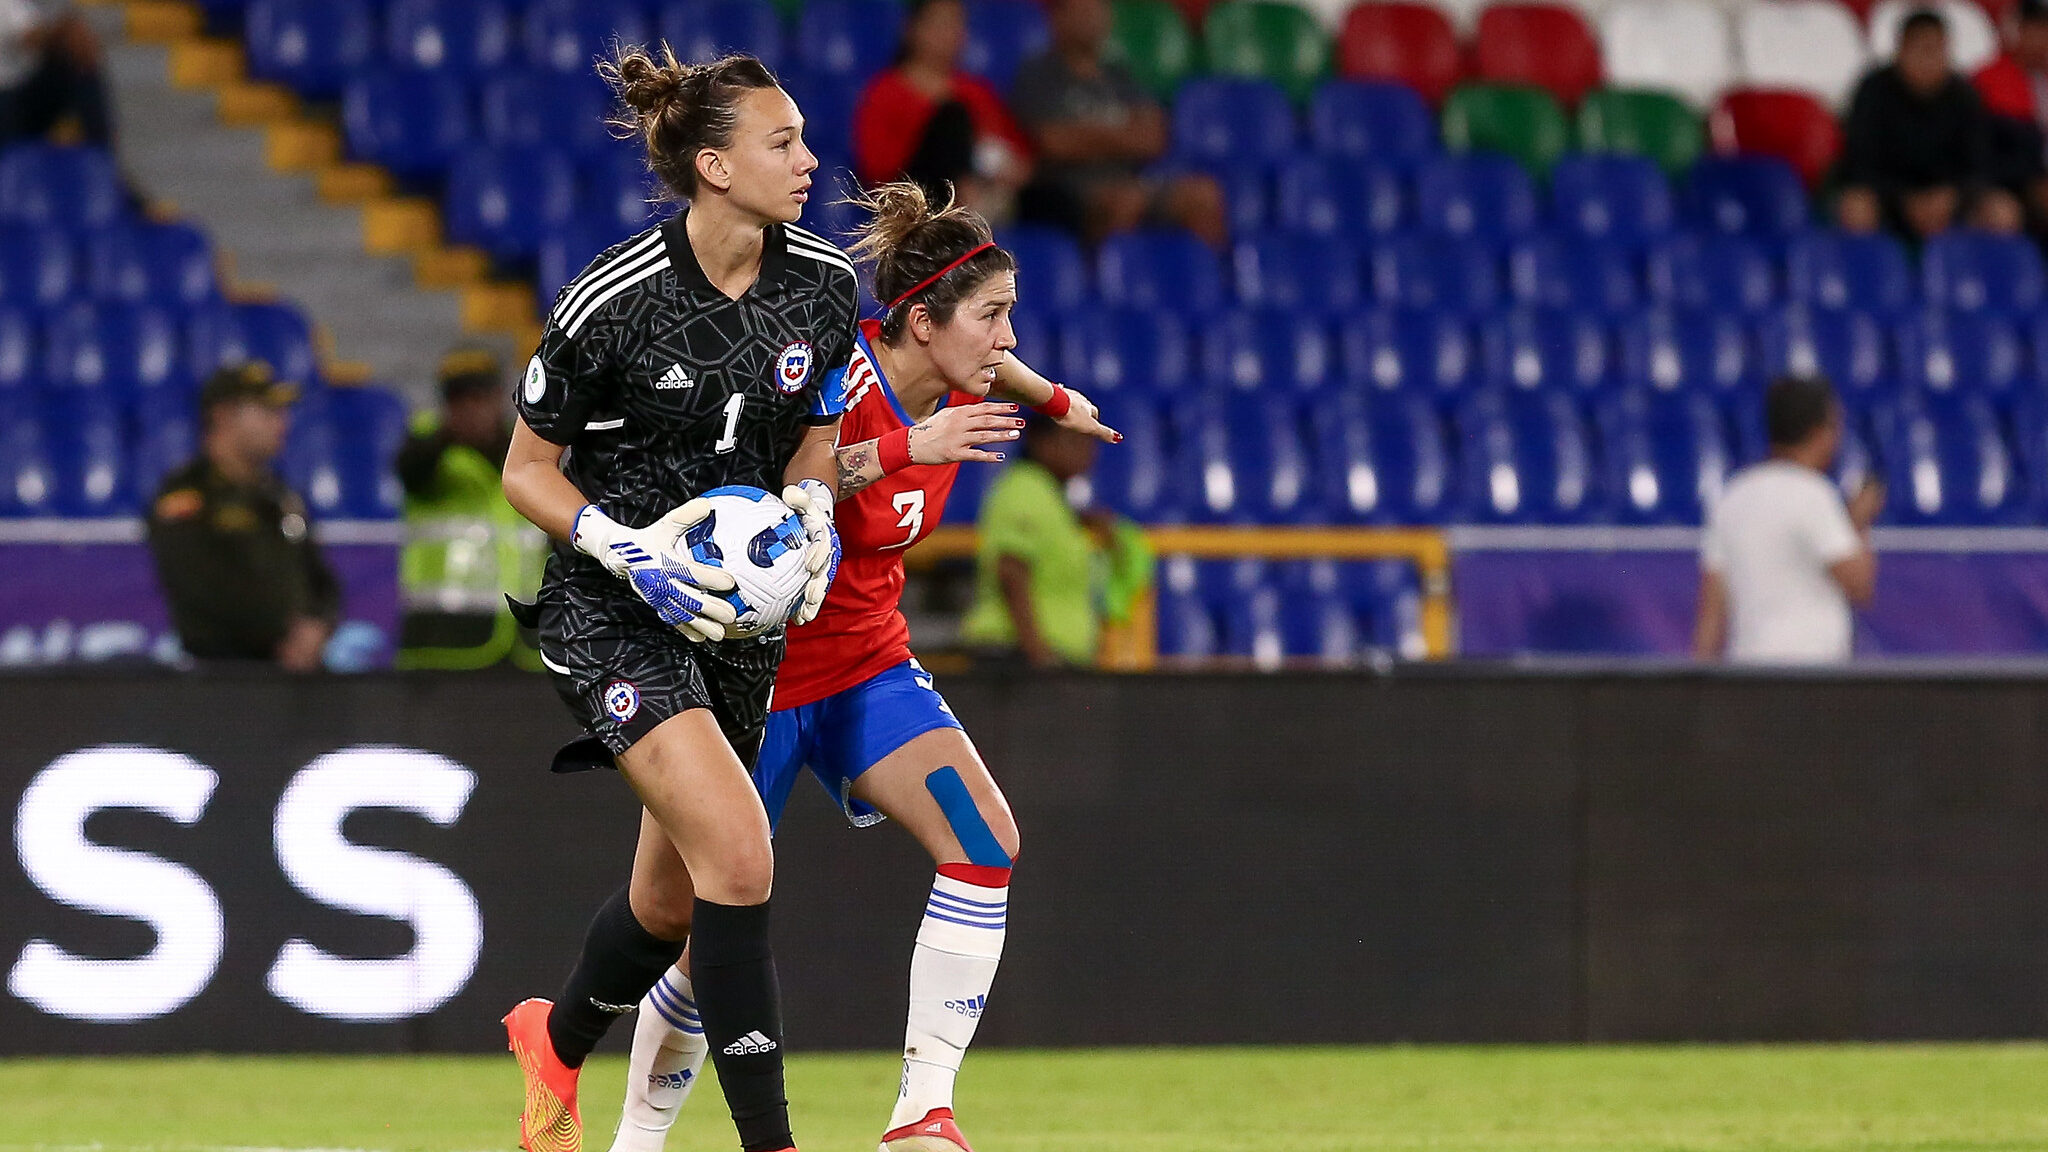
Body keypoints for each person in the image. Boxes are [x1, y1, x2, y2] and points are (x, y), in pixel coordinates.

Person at [602, 182, 1118, 1152]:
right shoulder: (829, 381)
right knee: (692, 923)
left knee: (984, 839)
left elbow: (999, 367)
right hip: (752, 683)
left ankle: (920, 1114)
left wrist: (1055, 398)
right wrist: (896, 453)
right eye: (993, 317)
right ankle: (637, 1139)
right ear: (918, 324)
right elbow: (755, 498)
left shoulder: (959, 377)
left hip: (864, 666)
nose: (1007, 339)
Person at [498, 47, 857, 1152]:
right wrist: (624, 545)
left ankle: (550, 1042)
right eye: (781, 141)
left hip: (735, 626)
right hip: (614, 607)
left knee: (667, 906)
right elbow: (523, 469)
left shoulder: (825, 287)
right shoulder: (615, 298)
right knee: (741, 858)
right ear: (713, 165)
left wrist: (813, 518)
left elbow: (817, 439)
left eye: (800, 138)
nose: (807, 161)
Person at [146, 362, 339, 671]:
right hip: (223, 679)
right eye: (267, 411)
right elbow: (199, 588)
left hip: (295, 676)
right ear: (222, 416)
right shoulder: (188, 496)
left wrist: (317, 626)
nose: (282, 423)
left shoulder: (280, 496)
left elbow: (321, 579)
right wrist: (281, 634)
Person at [1693, 376, 1883, 665]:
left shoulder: (1733, 496)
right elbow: (1859, 585)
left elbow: (1711, 611)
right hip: (1807, 680)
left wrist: (1698, 692)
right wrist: (1859, 521)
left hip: (1748, 678)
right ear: (1819, 432)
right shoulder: (1814, 495)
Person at [1009, 0, 1226, 247]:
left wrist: (1087, 137)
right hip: (1071, 190)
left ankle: (1202, 280)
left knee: (1204, 194)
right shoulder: (1037, 74)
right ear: (1058, 19)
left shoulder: (1118, 73)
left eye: (1096, 10)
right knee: (1124, 201)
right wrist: (1123, 136)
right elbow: (1053, 143)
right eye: (1082, 11)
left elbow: (1153, 138)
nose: (1091, 19)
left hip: (1134, 181)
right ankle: (1110, 280)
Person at [395, 346, 547, 670]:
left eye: (481, 397)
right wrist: (447, 434)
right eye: (460, 400)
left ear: (498, 398)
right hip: (444, 643)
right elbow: (410, 471)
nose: (473, 409)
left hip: (523, 645)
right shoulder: (426, 450)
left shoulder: (528, 453)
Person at [959, 415, 1152, 668]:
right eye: (1073, 439)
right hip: (1018, 662)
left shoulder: (1054, 498)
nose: (1086, 449)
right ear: (1041, 442)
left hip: (1047, 660)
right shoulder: (1024, 489)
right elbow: (1011, 572)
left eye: (1088, 440)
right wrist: (1039, 654)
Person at [1837, 8, 2022, 238]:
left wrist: (1951, 195)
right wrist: (1904, 198)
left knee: (2002, 211)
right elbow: (1859, 163)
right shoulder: (1873, 91)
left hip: (1950, 198)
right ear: (1901, 50)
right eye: (1921, 50)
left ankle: (1970, 272)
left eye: (1936, 50)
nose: (1928, 60)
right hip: (1888, 197)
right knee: (1856, 207)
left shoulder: (1965, 95)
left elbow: (1979, 164)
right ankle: (1873, 272)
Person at [851, 0, 1033, 224]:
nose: (951, 33)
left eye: (957, 24)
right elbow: (877, 172)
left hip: (988, 190)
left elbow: (1018, 156)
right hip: (915, 197)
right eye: (941, 24)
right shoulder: (885, 92)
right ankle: (965, 207)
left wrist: (1010, 169)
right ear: (912, 28)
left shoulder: (976, 92)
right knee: (952, 117)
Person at [1972, 0, 2048, 225]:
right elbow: (1983, 149)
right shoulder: (1988, 80)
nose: (2040, 40)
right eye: (2033, 30)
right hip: (2008, 182)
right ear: (2018, 31)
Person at [0, 0, 112, 147]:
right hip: (8, 92)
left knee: (83, 66)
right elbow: (28, 37)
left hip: (29, 87)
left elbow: (71, 21)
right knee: (76, 56)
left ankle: (103, 153)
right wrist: (66, 36)